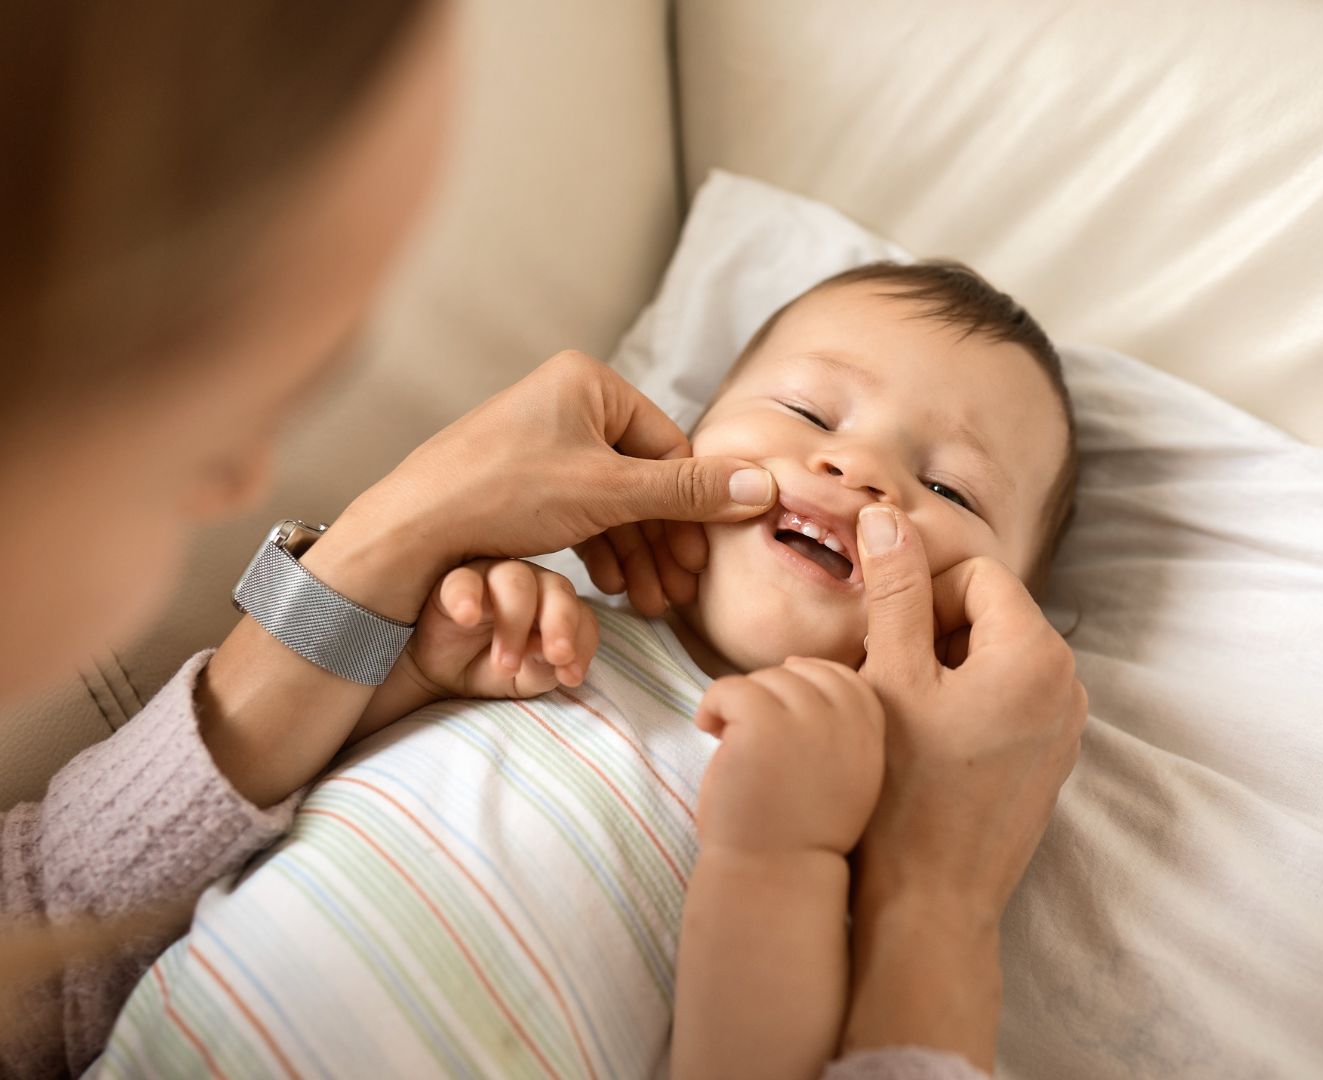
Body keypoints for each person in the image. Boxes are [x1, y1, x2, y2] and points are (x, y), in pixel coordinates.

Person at [0, 2, 1085, 1077]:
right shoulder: (573, 624)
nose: (856, 472)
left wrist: (377, 649)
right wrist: (938, 911)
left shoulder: (795, 760)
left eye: (950, 493)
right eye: (204, 377)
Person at [90, 260, 1079, 1080]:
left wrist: (788, 854)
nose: (858, 468)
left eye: (949, 487)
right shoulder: (548, 618)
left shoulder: (858, 802)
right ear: (690, 440)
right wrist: (416, 677)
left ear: (980, 628)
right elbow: (251, 813)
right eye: (810, 410)